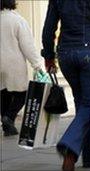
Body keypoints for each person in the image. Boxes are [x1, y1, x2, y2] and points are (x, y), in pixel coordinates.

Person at [41, 0, 90, 170]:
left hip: (66, 54)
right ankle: (69, 146)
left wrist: (48, 56)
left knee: (82, 104)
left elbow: (49, 27)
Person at [0, 0, 44, 137]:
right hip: (14, 62)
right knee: (22, 93)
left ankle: (8, 126)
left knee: (3, 92)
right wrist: (37, 64)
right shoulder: (18, 20)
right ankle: (9, 117)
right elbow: (27, 45)